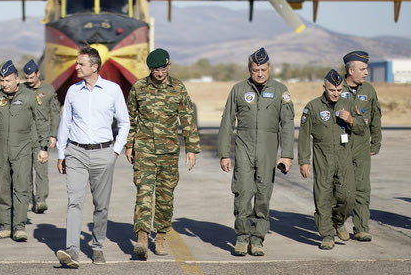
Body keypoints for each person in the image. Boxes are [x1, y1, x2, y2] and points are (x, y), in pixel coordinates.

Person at [55, 45, 130, 268]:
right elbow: (65, 122)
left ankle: (97, 246)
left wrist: (115, 150)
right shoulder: (72, 91)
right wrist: (61, 152)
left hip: (103, 153)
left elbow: (124, 122)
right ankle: (72, 250)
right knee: (74, 202)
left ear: (94, 67)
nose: (76, 66)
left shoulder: (113, 90)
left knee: (101, 205)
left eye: (81, 63)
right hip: (75, 152)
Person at [216, 47, 294, 257]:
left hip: (268, 149)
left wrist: (287, 154)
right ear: (249, 70)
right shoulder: (239, 90)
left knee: (262, 195)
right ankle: (242, 237)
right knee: (242, 194)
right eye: (255, 69)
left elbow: (287, 124)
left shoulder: (280, 91)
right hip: (244, 147)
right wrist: (224, 153)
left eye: (263, 69)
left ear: (270, 68)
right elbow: (227, 122)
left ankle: (257, 239)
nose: (259, 73)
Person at [125, 48, 200, 260]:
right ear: (150, 69)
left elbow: (187, 118)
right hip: (144, 150)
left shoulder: (178, 88)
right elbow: (130, 119)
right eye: (155, 69)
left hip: (169, 152)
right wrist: (129, 145)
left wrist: (192, 148)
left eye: (163, 68)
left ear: (169, 66)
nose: (159, 73)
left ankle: (160, 236)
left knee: (166, 197)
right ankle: (141, 236)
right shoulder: (139, 88)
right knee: (144, 193)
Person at [0, 61, 49, 242]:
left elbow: (41, 121)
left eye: (8, 80)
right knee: (2, 188)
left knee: (21, 188)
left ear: (17, 79)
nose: (4, 84)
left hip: (23, 147)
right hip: (0, 148)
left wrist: (43, 147)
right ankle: (5, 226)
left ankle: (19, 227)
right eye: (1, 80)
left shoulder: (29, 96)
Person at [298, 69, 363, 249]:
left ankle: (338, 221)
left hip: (343, 158)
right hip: (322, 159)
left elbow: (361, 129)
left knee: (348, 197)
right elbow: (304, 136)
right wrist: (303, 160)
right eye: (332, 90)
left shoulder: (348, 104)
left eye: (339, 90)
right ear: (324, 87)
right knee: (322, 197)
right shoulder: (312, 107)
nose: (336, 94)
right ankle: (327, 234)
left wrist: (351, 120)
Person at [341, 50, 382, 242]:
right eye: (362, 69)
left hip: (362, 146)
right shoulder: (336, 87)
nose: (366, 72)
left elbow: (375, 118)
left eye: (366, 69)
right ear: (350, 70)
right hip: (341, 146)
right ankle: (337, 222)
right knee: (340, 188)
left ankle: (361, 227)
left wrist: (376, 141)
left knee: (363, 188)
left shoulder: (369, 91)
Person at [23, 59, 60, 213]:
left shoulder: (49, 90)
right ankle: (27, 200)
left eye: (32, 77)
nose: (29, 81)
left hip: (41, 136)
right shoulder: (21, 89)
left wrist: (53, 135)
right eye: (27, 78)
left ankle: (41, 199)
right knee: (24, 172)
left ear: (38, 74)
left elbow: (55, 113)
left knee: (41, 169)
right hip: (24, 136)